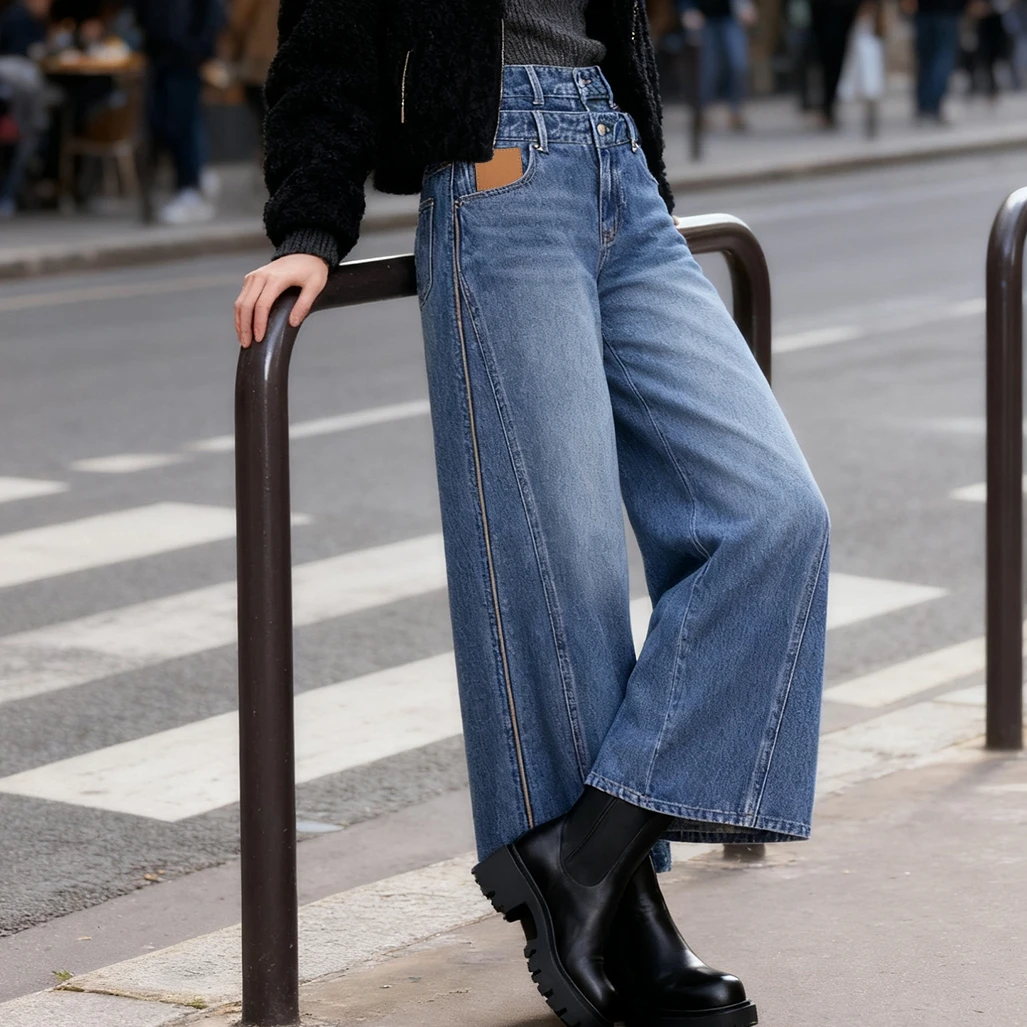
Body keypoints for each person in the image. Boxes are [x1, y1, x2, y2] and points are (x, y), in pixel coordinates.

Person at [235, 4, 830, 1026]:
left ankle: (580, 857)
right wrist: (310, 225)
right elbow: (328, 35)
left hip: (621, 174)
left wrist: (634, 161)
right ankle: (620, 911)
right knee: (563, 574)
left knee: (776, 516)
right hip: (498, 176)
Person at [131, 0, 224, 224]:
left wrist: (199, 50)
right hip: (161, 57)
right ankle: (188, 184)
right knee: (164, 124)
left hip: (184, 59)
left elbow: (212, 13)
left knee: (182, 123)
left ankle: (190, 187)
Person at [0, 0, 50, 216]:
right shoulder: (21, 18)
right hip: (20, 104)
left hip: (15, 105)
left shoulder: (18, 16)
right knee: (30, 136)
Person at [678, 0, 756, 129]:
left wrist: (746, 5)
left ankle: (736, 111)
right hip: (703, 17)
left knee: (738, 64)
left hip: (731, 16)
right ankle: (701, 112)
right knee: (707, 69)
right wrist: (687, 9)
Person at [221, 0, 276, 153]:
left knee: (266, 122)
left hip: (260, 64)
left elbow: (238, 22)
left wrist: (230, 55)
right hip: (291, 64)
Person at [907, 0, 968, 119]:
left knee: (928, 59)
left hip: (928, 10)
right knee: (941, 59)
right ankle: (931, 104)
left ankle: (925, 104)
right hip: (945, 11)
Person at [810, 0, 862, 126]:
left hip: (838, 20)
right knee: (827, 66)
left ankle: (828, 105)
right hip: (824, 22)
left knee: (834, 66)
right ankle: (827, 105)